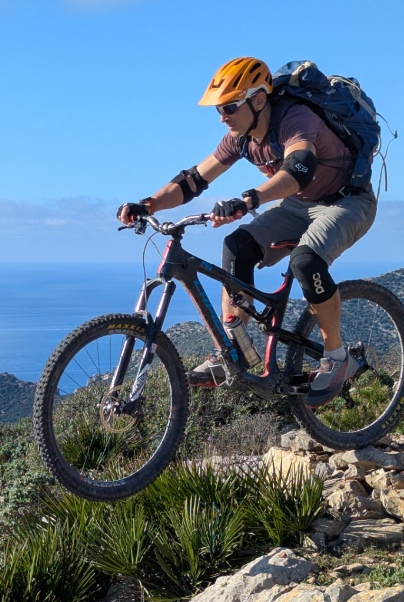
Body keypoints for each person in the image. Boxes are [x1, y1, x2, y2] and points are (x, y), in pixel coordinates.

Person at [117, 57, 378, 407]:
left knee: (306, 262)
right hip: (297, 205)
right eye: (218, 110)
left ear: (258, 100)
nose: (223, 117)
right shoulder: (239, 138)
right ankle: (235, 352)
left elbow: (299, 169)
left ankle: (337, 357)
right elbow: (194, 180)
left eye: (229, 107)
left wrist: (250, 199)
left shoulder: (295, 119)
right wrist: (147, 205)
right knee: (237, 245)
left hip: (347, 202)